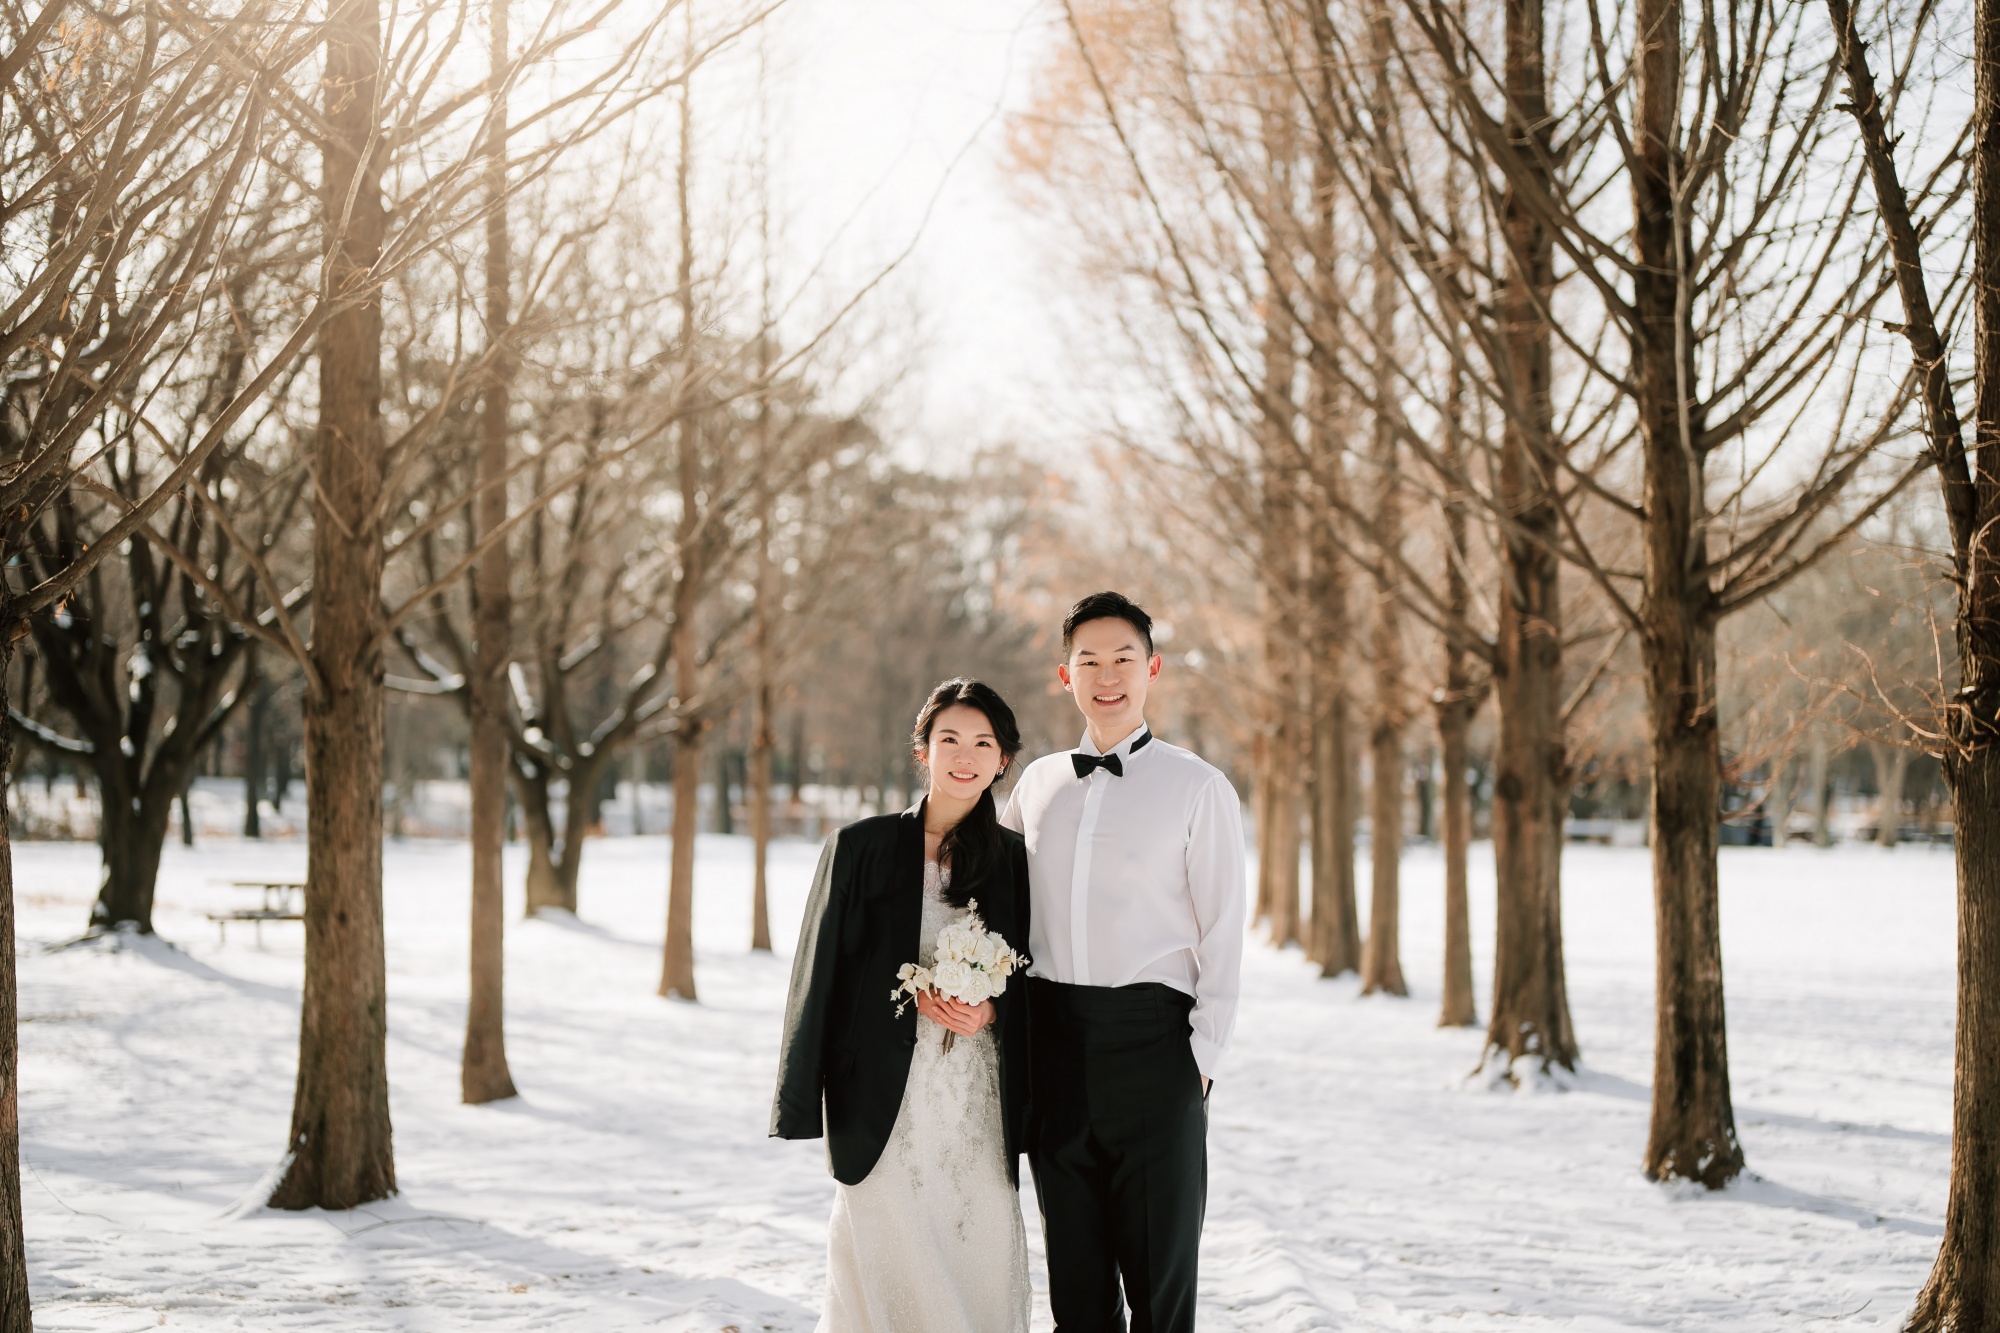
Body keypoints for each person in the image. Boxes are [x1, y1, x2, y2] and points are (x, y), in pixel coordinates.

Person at [1002, 591, 1246, 1333]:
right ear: (1063, 674)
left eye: (1123, 659)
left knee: (1159, 1289)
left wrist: (1198, 1062)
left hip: (1154, 1053)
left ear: (1153, 668)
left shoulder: (1199, 788)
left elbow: (1224, 933)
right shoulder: (1036, 784)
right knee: (1076, 1292)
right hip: (1053, 1053)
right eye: (1089, 661)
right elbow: (998, 907)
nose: (1107, 676)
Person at [771, 678, 1033, 1333]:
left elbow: (1036, 979)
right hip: (879, 1092)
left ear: (1003, 759)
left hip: (975, 1099)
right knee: (891, 1248)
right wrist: (800, 1099)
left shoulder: (1013, 861)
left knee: (976, 1241)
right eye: (949, 738)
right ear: (923, 748)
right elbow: (817, 974)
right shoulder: (858, 848)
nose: (964, 755)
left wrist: (991, 1012)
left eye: (983, 742)